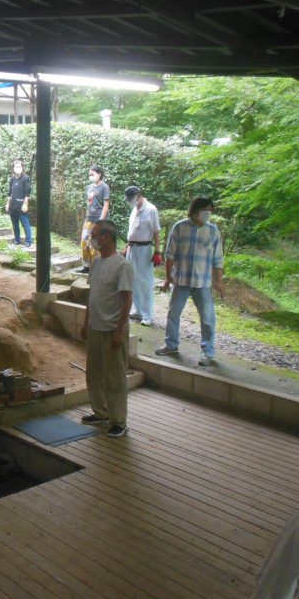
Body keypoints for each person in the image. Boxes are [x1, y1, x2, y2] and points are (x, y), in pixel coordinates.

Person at [155, 196, 225, 366]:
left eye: (210, 210)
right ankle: (171, 345)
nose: (208, 213)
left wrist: (218, 281)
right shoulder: (180, 227)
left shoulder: (213, 231)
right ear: (195, 211)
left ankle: (207, 353)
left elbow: (218, 259)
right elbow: (170, 254)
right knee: (173, 314)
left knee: (207, 319)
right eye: (205, 210)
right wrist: (168, 276)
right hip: (182, 280)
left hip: (203, 283)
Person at [80, 219, 133, 438]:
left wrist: (119, 331)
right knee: (94, 373)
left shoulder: (122, 265)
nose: (91, 239)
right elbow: (92, 296)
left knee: (114, 377)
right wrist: (85, 322)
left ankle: (118, 419)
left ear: (107, 237)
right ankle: (100, 411)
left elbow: (127, 299)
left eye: (95, 234)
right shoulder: (96, 262)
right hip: (95, 326)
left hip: (112, 328)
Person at [124, 185, 161, 327]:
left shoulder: (151, 209)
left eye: (132, 198)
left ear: (138, 195)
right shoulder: (134, 210)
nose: (130, 201)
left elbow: (156, 232)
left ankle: (147, 315)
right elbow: (132, 230)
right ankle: (138, 310)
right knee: (133, 281)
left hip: (144, 249)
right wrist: (127, 246)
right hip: (132, 249)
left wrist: (157, 252)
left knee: (145, 282)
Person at [77, 165, 110, 274]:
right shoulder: (89, 187)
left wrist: (101, 220)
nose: (90, 176)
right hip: (89, 218)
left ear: (99, 174)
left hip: (98, 219)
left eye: (93, 174)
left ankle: (97, 267)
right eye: (89, 175)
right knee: (84, 242)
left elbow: (106, 204)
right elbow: (89, 204)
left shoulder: (104, 187)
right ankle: (86, 266)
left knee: (95, 243)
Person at [5, 158, 32, 247]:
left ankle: (28, 241)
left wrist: (25, 203)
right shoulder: (12, 179)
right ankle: (17, 240)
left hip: (21, 205)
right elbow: (10, 192)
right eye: (16, 167)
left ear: (22, 168)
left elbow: (27, 192)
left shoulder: (26, 178)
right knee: (15, 225)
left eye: (19, 167)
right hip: (13, 206)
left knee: (25, 224)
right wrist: (8, 203)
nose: (18, 168)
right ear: (13, 168)